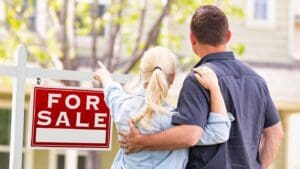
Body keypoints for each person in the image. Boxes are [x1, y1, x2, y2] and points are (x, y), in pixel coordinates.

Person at [119, 5, 284, 169]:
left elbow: (190, 135)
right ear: (228, 36)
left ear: (192, 39)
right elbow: (275, 134)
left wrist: (142, 141)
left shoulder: (198, 79)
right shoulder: (256, 81)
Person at [93, 46, 234, 169]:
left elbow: (112, 92)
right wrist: (214, 87)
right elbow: (219, 132)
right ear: (172, 78)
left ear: (142, 74)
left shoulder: (123, 107)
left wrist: (104, 76)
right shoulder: (177, 123)